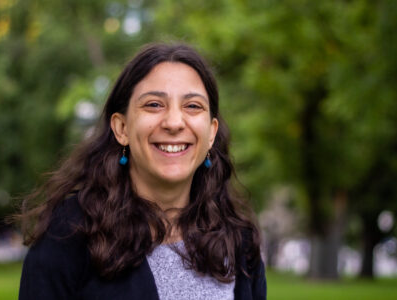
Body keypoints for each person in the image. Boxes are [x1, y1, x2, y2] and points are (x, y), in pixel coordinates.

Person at [18, 43, 266, 300]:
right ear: (122, 127)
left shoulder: (239, 240)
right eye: (154, 104)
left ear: (211, 132)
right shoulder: (69, 233)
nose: (173, 123)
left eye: (193, 106)